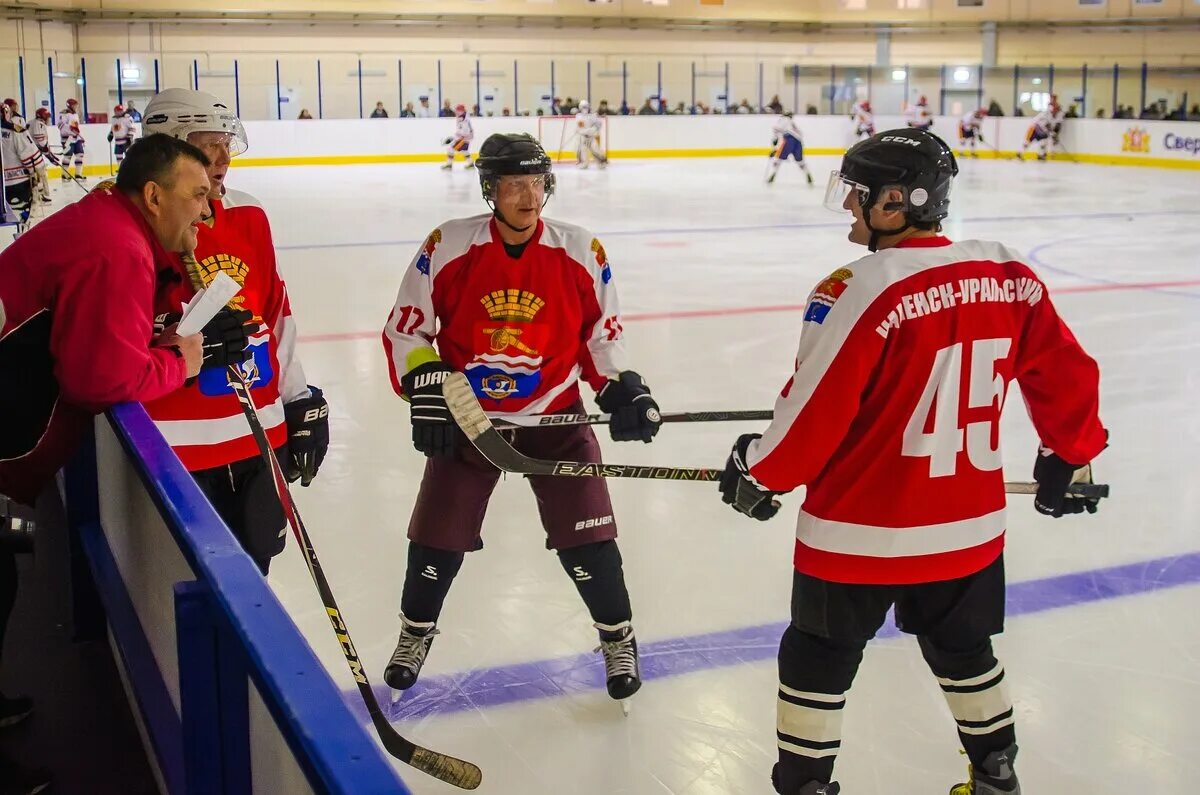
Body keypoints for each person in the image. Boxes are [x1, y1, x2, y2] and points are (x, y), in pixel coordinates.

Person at [717, 129, 1107, 795]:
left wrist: (758, 470)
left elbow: (813, 416)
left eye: (858, 196)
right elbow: (1066, 378)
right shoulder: (1008, 273)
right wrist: (1069, 458)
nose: (849, 207)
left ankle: (807, 785)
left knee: (818, 655)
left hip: (858, 534)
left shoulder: (856, 287)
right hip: (969, 532)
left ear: (895, 202)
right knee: (964, 651)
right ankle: (997, 774)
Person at [380, 133, 661, 710]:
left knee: (590, 541)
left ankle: (618, 638)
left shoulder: (580, 249)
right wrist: (428, 385)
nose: (528, 196)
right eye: (513, 185)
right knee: (436, 538)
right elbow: (407, 328)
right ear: (490, 189)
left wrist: (621, 389)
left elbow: (601, 338)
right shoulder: (450, 245)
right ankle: (414, 634)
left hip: (555, 414)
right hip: (471, 419)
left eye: (536, 182)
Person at [0, 135, 210, 792]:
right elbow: (99, 377)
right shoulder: (117, 246)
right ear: (154, 195)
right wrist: (181, 361)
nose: (208, 210)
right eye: (198, 194)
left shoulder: (110, 225)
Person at [139, 88, 329, 576]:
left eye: (227, 143)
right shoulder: (136, 223)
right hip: (177, 446)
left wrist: (297, 397)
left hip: (258, 433)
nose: (224, 158)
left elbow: (274, 311)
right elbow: (115, 335)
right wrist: (175, 334)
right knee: (187, 588)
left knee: (255, 576)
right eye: (208, 145)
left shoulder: (248, 213)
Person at [1, 117, 44, 230]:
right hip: (18, 183)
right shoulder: (15, 130)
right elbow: (30, 156)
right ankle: (19, 240)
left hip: (3, 184)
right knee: (20, 217)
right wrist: (36, 174)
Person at [766, 111, 812, 186]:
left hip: (789, 140)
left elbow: (777, 130)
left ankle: (773, 175)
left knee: (779, 158)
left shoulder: (783, 119)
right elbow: (800, 134)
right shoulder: (791, 122)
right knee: (800, 161)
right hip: (798, 141)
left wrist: (775, 148)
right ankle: (807, 173)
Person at [25, 107, 54, 202]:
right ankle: (43, 195)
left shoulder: (31, 122)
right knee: (42, 174)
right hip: (35, 154)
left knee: (35, 176)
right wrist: (49, 155)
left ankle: (36, 195)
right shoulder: (39, 124)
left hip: (28, 154)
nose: (48, 119)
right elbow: (41, 143)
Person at [56, 98, 85, 183]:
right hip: (67, 139)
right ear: (70, 105)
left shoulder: (75, 114)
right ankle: (64, 174)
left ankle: (78, 174)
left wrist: (79, 135)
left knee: (80, 154)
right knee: (67, 156)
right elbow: (60, 126)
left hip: (76, 138)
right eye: (74, 105)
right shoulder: (64, 114)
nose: (76, 107)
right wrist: (70, 129)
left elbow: (75, 127)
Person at [440, 103, 475, 171]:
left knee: (451, 149)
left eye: (458, 110)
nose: (456, 112)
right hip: (465, 138)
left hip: (464, 139)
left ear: (461, 111)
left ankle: (449, 165)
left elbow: (465, 131)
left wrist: (457, 137)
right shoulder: (462, 117)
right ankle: (471, 164)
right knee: (464, 151)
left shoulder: (464, 119)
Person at [575, 99, 607, 169]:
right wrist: (585, 131)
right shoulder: (578, 116)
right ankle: (584, 163)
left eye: (586, 107)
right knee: (583, 150)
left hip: (591, 137)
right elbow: (580, 128)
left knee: (595, 149)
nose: (585, 109)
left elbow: (599, 124)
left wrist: (593, 130)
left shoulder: (593, 115)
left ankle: (601, 162)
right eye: (583, 107)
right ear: (580, 107)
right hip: (583, 137)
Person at [107, 104, 138, 169]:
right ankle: (120, 169)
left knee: (128, 155)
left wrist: (129, 137)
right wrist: (111, 134)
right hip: (117, 141)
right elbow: (113, 128)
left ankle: (130, 168)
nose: (119, 112)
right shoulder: (113, 119)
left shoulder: (127, 118)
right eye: (117, 111)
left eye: (120, 110)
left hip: (126, 140)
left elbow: (132, 128)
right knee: (118, 155)